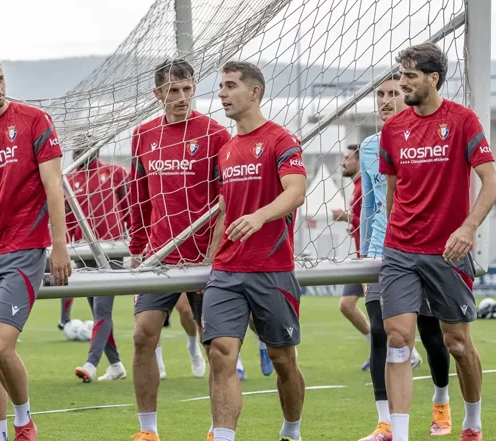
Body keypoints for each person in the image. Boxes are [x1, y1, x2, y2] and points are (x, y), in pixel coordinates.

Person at [378, 43, 496, 441]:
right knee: (398, 339)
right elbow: (393, 191)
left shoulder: (462, 120)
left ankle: (472, 422)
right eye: (401, 74)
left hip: (447, 251)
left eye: (410, 75)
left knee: (457, 344)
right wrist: (392, 236)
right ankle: (400, 434)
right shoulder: (392, 129)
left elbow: (491, 183)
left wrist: (468, 228)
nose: (402, 82)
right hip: (400, 250)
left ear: (433, 78)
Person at [0, 51, 71, 441]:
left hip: (23, 250)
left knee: (0, 346)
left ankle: (23, 422)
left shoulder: (34, 121)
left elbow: (53, 187)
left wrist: (59, 245)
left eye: (1, 79)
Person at [202, 60, 307, 441]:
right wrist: (211, 259)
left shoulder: (281, 140)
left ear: (254, 92)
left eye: (230, 86)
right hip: (227, 270)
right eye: (221, 86)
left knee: (283, 359)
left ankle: (291, 431)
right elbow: (225, 210)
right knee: (221, 353)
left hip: (272, 269)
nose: (222, 94)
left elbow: (296, 192)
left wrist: (260, 216)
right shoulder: (226, 150)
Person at [129, 59, 231, 441]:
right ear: (158, 94)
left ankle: (217, 429)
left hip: (205, 259)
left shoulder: (216, 134)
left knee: (216, 346)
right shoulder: (143, 135)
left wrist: (214, 253)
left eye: (188, 89)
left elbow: (227, 200)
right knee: (143, 335)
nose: (182, 97)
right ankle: (148, 430)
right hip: (160, 258)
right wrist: (137, 250)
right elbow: (138, 198)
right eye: (173, 90)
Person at [357, 74, 452, 441]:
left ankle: (441, 401)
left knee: (431, 335)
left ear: (408, 95)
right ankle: (385, 423)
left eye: (393, 93)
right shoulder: (369, 147)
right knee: (380, 332)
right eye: (380, 94)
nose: (385, 100)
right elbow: (368, 206)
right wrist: (364, 256)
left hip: (423, 249)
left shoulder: (427, 138)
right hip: (382, 252)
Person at [65, 145, 131, 383]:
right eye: (77, 148)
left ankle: (91, 365)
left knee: (102, 310)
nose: (79, 151)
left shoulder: (116, 173)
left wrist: (136, 246)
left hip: (112, 252)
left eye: (85, 147)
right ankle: (116, 365)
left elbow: (129, 210)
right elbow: (67, 219)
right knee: (98, 311)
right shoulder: (68, 180)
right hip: (83, 254)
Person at [331, 145, 372, 364]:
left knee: (378, 308)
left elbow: (371, 220)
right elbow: (361, 222)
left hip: (369, 258)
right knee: (346, 305)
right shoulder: (356, 186)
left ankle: (406, 354)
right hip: (359, 257)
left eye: (347, 158)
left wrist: (347, 218)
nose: (343, 162)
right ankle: (377, 345)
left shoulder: (365, 185)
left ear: (360, 160)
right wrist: (353, 226)